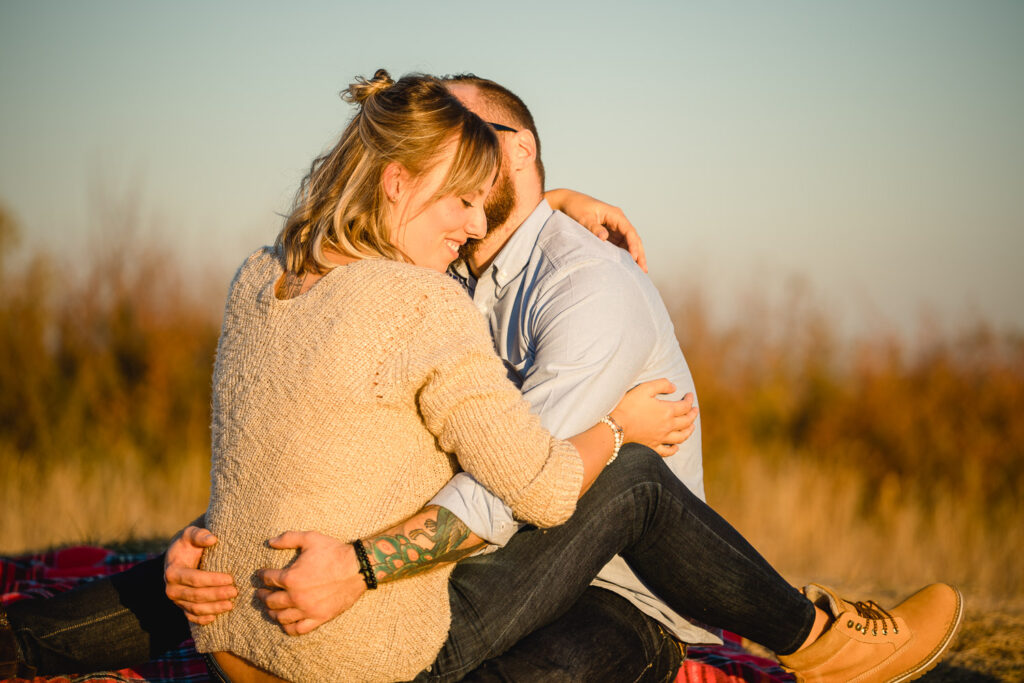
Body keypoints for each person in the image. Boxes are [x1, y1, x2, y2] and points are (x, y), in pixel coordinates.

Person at [1, 72, 963, 683]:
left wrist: (548, 202)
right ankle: (820, 643)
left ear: (518, 161)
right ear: (402, 179)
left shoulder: (260, 275)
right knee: (626, 506)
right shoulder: (432, 291)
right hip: (376, 625)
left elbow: (407, 141)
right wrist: (619, 431)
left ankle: (22, 642)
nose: (471, 213)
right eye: (459, 186)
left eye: (487, 177)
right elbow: (534, 490)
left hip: (248, 625)